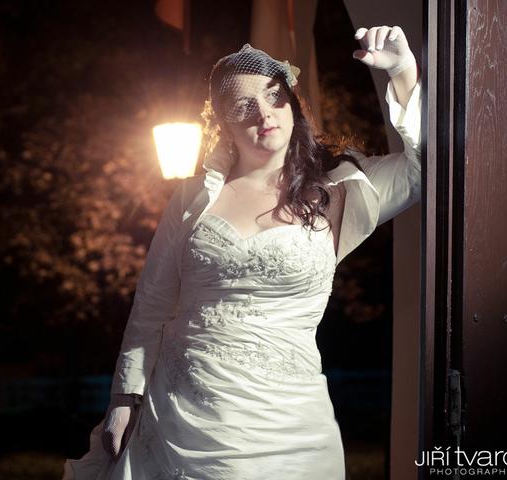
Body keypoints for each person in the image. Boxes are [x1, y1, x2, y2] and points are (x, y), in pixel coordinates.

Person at [63, 24, 421, 479]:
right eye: (243, 106)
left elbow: (428, 167)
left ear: (293, 104)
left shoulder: (340, 191)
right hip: (183, 412)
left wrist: (402, 71)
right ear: (224, 123)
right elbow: (152, 303)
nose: (264, 114)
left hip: (290, 420)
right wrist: (124, 397)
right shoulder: (193, 197)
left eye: (274, 97)